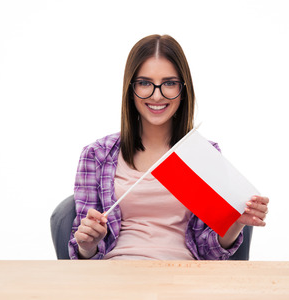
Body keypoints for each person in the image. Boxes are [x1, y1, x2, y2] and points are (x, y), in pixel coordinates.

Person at [68, 34, 269, 260]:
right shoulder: (97, 155)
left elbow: (210, 253)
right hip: (117, 276)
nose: (156, 95)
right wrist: (88, 244)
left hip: (185, 279)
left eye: (169, 83)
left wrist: (234, 223)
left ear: (183, 89)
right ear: (130, 89)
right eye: (144, 83)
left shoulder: (202, 155)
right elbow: (82, 252)